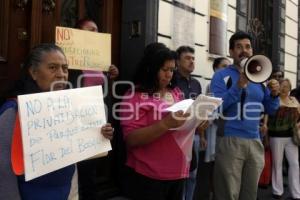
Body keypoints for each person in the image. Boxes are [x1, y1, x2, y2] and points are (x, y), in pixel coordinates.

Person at [0, 43, 114, 200]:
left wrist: (98, 135)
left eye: (65, 68)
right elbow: (4, 171)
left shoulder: (71, 107)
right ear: (33, 72)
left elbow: (72, 155)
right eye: (53, 68)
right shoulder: (12, 111)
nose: (62, 74)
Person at [119, 43, 206, 200]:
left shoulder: (176, 92)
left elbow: (183, 123)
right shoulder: (135, 95)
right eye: (164, 70)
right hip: (149, 175)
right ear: (151, 69)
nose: (169, 75)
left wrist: (197, 120)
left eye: (172, 70)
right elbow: (131, 139)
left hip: (178, 172)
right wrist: (165, 124)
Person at [210, 31, 280, 200]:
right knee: (227, 193)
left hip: (255, 142)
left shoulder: (258, 78)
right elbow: (217, 108)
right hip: (230, 140)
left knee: (249, 194)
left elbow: (270, 110)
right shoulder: (221, 76)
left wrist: (273, 95)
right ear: (231, 51)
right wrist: (238, 86)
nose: (244, 50)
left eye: (248, 47)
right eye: (239, 47)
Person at [67, 18, 119, 200]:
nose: (95, 34)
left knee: (89, 169)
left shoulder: (100, 59)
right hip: (73, 118)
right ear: (78, 33)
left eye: (97, 30)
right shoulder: (69, 58)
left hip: (95, 119)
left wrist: (110, 74)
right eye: (90, 30)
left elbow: (103, 91)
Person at [193, 57, 231, 200]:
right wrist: (202, 135)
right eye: (223, 66)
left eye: (228, 66)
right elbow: (208, 111)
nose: (227, 69)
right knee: (212, 166)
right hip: (214, 130)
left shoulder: (231, 85)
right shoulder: (211, 86)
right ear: (215, 68)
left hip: (227, 131)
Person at [173, 45, 202, 200]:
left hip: (195, 135)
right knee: (179, 175)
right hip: (177, 135)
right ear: (177, 62)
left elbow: (200, 108)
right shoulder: (172, 81)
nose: (191, 61)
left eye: (193, 58)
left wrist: (202, 136)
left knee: (193, 174)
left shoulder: (197, 83)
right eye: (187, 58)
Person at [267, 78, 300, 200]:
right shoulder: (274, 100)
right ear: (278, 87)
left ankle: (296, 193)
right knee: (277, 164)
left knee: (295, 164)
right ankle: (277, 191)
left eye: (287, 86)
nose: (285, 88)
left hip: (292, 136)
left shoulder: (294, 100)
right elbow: (267, 115)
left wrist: (297, 125)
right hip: (276, 136)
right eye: (282, 86)